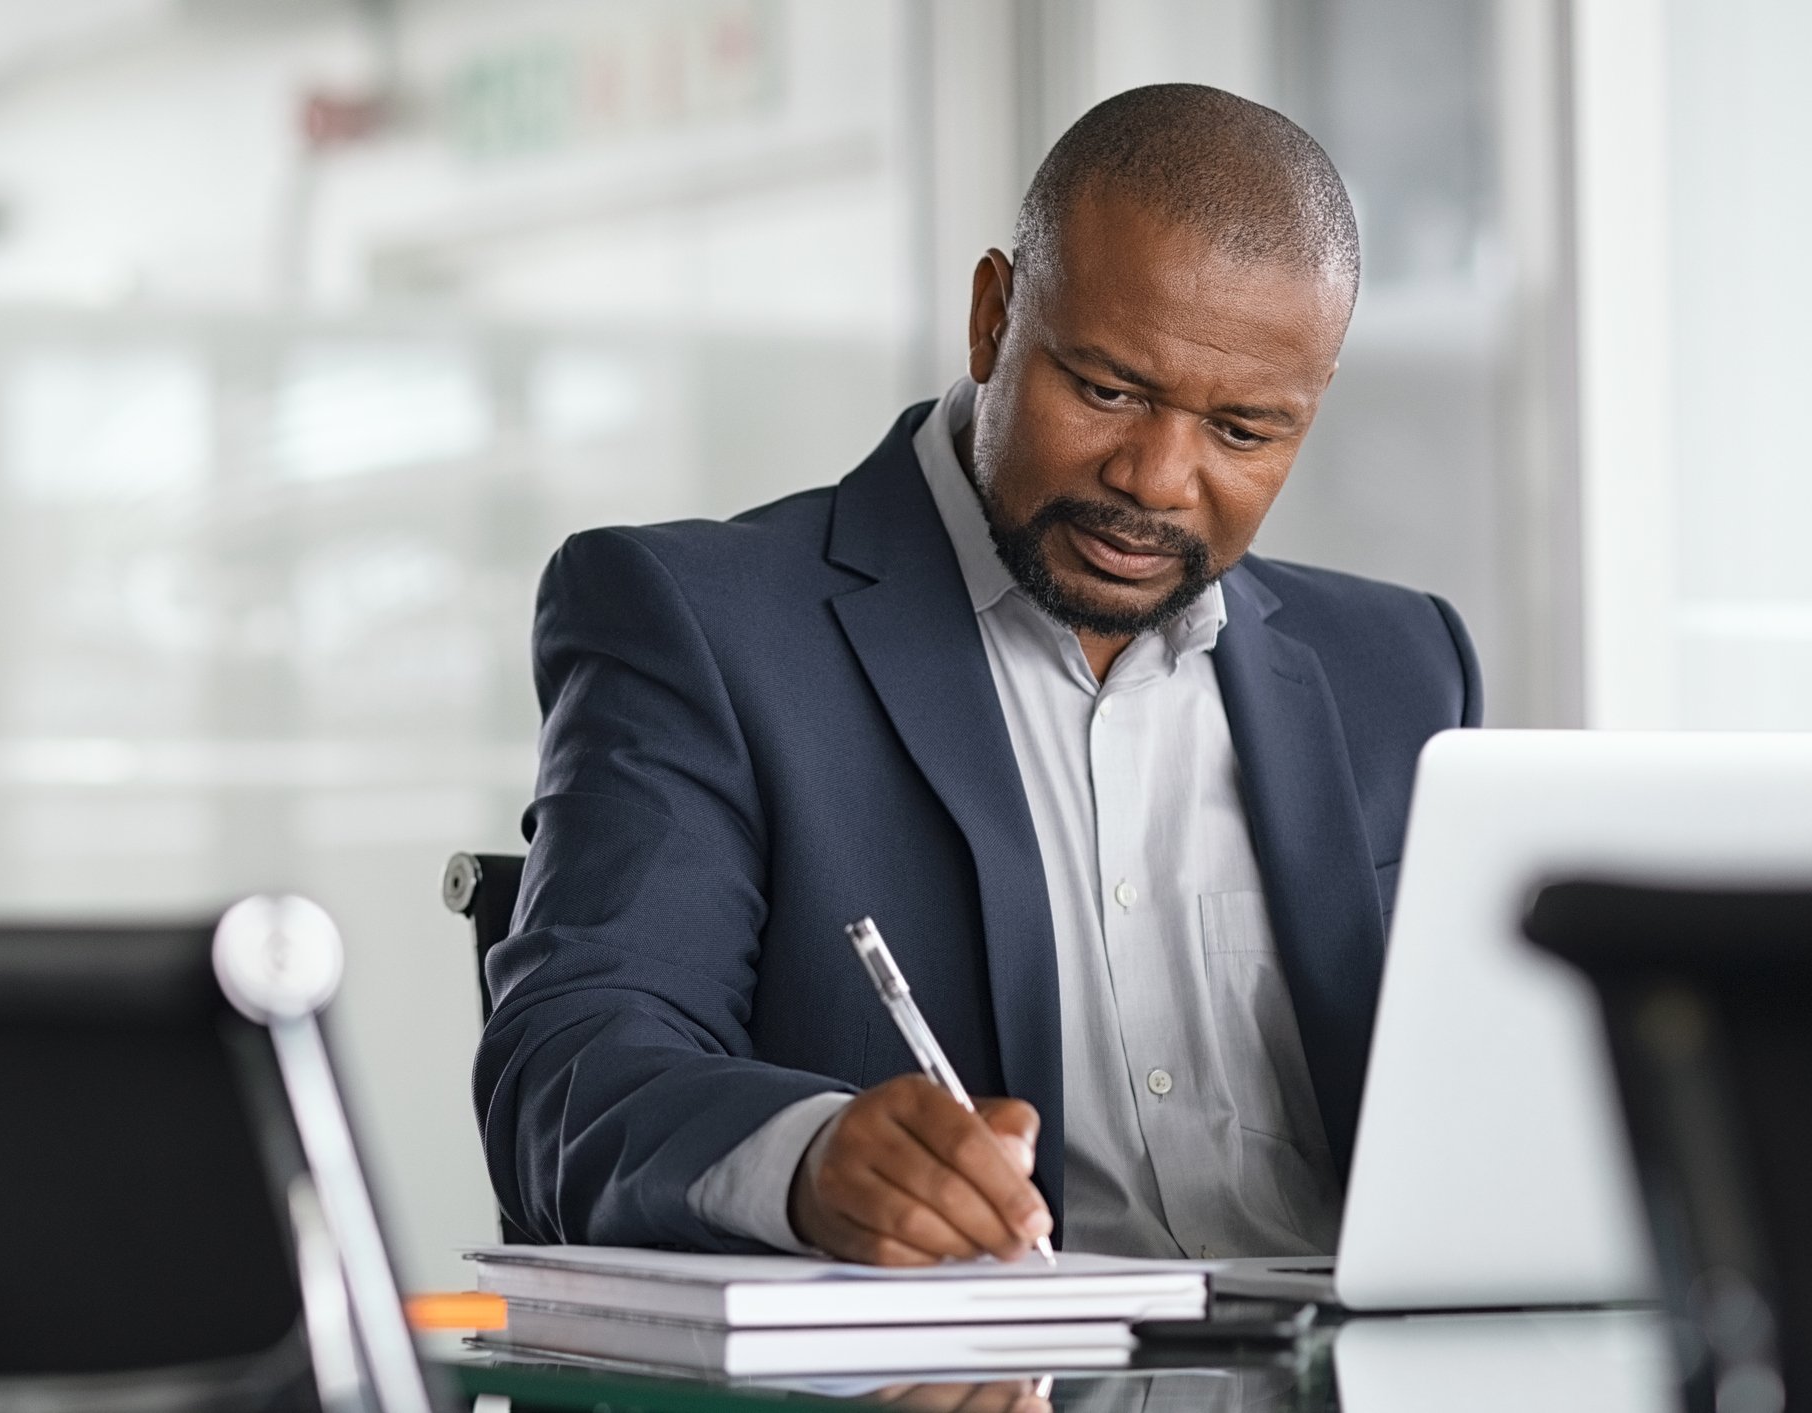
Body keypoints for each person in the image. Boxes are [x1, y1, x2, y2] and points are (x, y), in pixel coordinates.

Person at [474, 84, 1481, 1266]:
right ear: (992, 317)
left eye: (1243, 431)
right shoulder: (701, 625)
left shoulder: (1402, 668)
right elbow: (573, 1062)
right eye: (1108, 390)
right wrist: (806, 1160)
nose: (1158, 478)